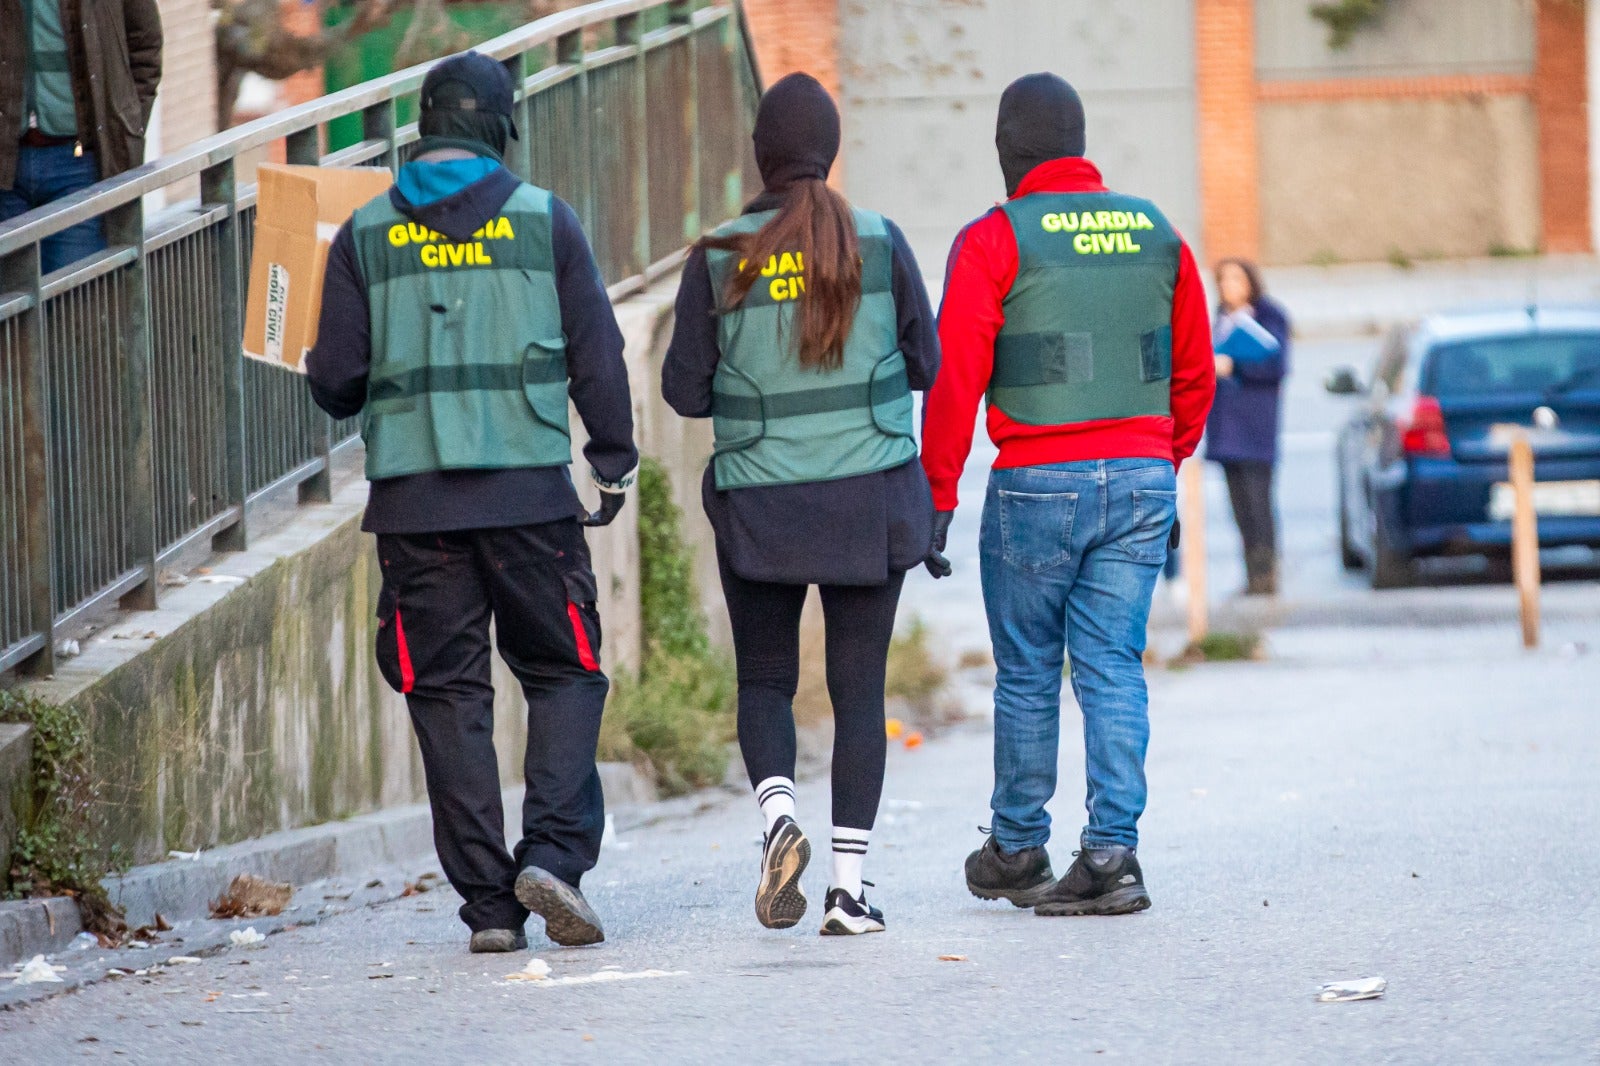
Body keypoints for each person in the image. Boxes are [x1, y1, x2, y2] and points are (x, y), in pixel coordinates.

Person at [306, 52, 638, 954]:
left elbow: (334, 381)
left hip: (415, 512)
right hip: (531, 499)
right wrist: (611, 460)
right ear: (499, 129)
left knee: (446, 696)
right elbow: (597, 356)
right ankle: (556, 861)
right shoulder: (544, 223)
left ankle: (491, 908)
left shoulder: (364, 232)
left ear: (424, 128)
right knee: (565, 672)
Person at [921, 73, 1214, 917]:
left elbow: (955, 383)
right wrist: (1159, 458)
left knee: (1027, 674)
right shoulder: (1157, 232)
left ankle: (1017, 848)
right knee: (1114, 667)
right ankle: (1113, 855)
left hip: (1035, 483)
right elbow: (1193, 370)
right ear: (1080, 146)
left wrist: (937, 495)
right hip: (1142, 475)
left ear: (1008, 153)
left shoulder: (994, 239)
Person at [662, 73, 939, 936]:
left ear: (760, 154)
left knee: (768, 681)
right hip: (872, 501)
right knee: (859, 695)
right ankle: (849, 893)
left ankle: (779, 817)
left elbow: (682, 391)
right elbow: (925, 363)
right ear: (832, 150)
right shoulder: (882, 243)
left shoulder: (718, 254)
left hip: (761, 506)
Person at [1, 0, 162, 272]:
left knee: (74, 299)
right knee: (11, 305)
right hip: (6, 168)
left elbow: (145, 46)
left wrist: (127, 121)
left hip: (80, 165)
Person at [1206, 257, 1291, 596]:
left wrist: (1234, 364)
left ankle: (1266, 571)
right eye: (1223, 280)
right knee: (1238, 504)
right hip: (1225, 426)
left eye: (1236, 279)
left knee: (1259, 502)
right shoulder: (1218, 320)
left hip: (1255, 426)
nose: (1229, 287)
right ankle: (1250, 572)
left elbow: (1276, 364)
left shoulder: (1270, 317)